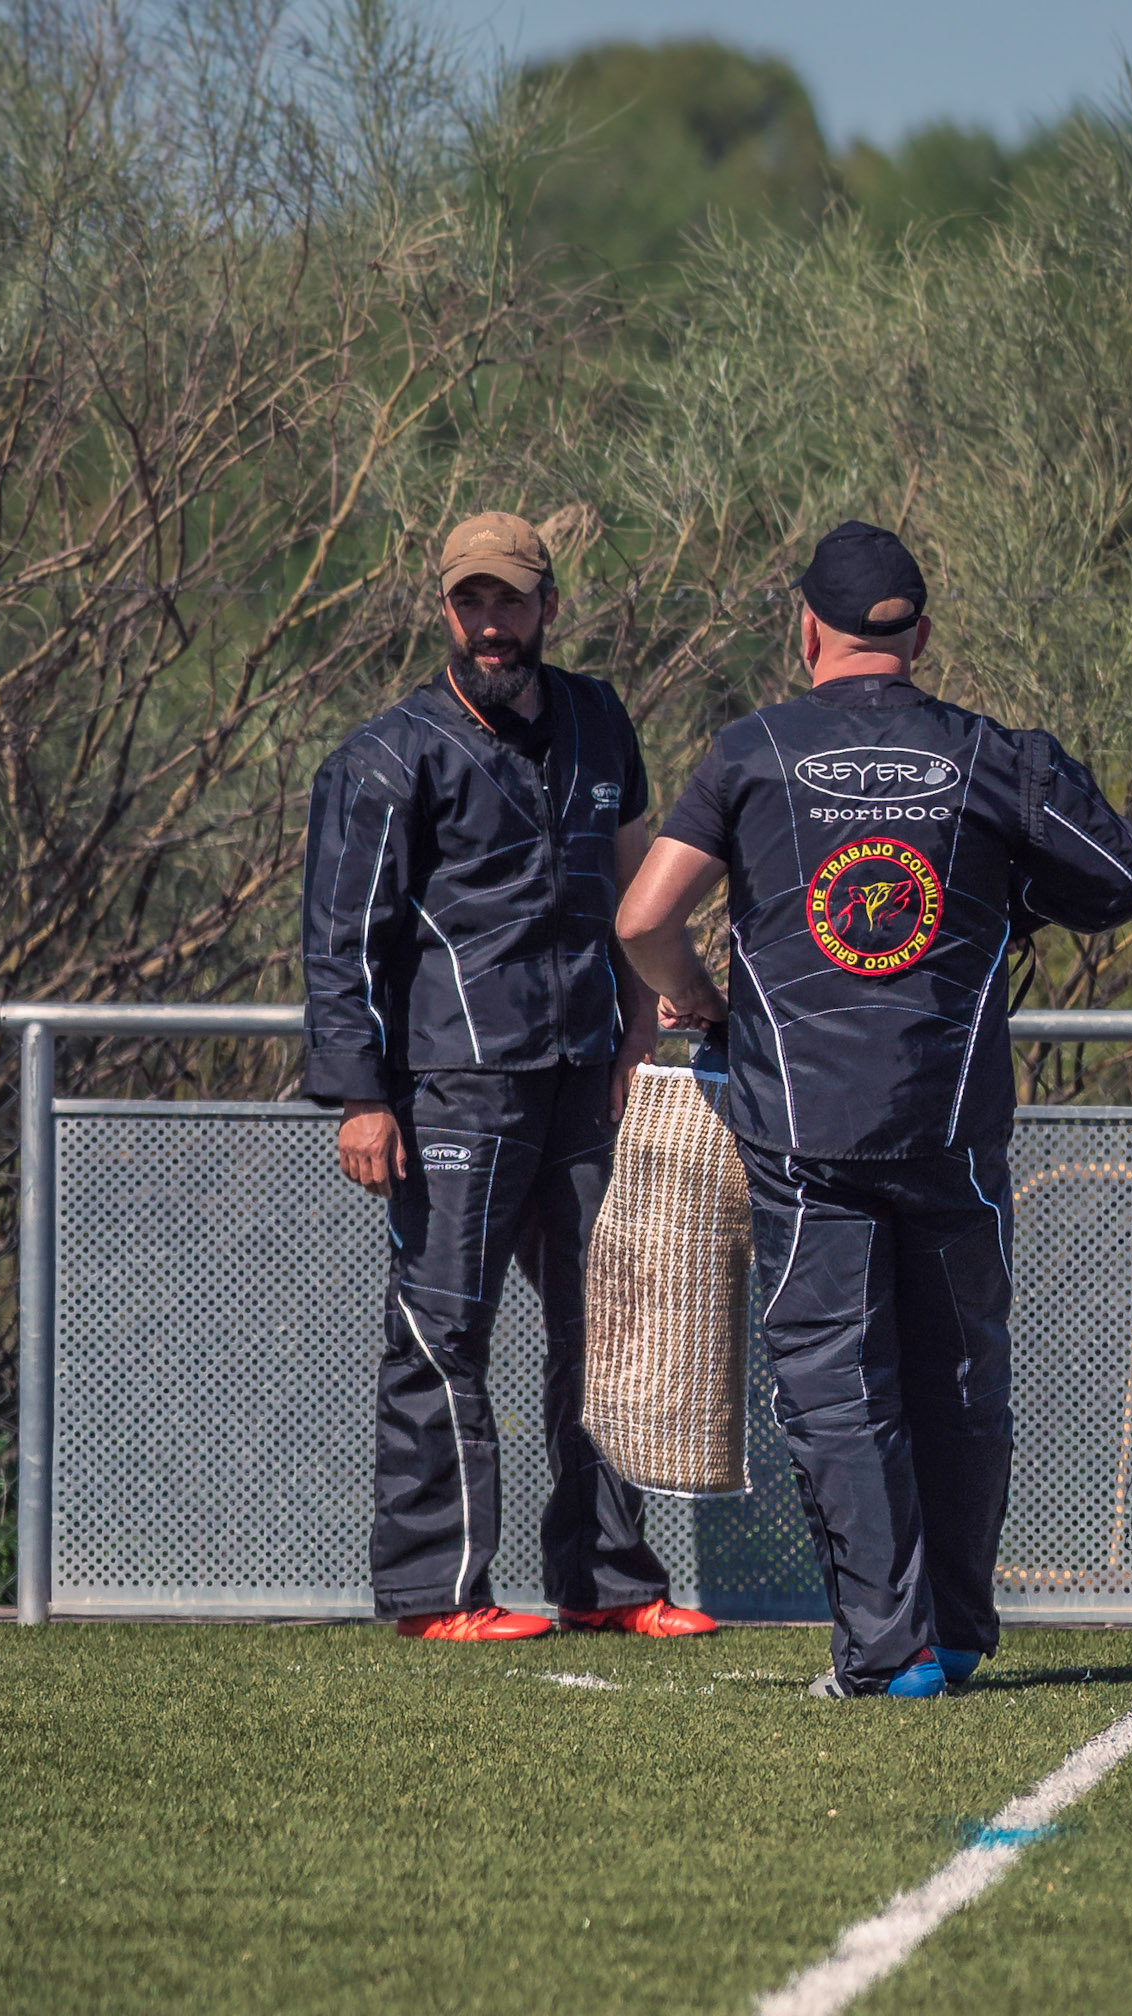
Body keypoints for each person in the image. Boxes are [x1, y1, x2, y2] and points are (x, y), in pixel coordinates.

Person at [616, 521, 1132, 1695]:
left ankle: (888, 1650)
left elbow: (643, 918)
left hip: (803, 1132)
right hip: (951, 1125)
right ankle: (952, 1635)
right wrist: (1005, 894)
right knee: (960, 1380)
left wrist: (698, 1000)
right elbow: (1118, 879)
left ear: (806, 630)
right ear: (920, 635)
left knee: (837, 1387)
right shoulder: (988, 754)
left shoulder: (751, 751)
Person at [301, 509, 716, 1643]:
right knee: (441, 1336)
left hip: (587, 1075)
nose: (491, 622)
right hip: (455, 1087)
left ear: (548, 605)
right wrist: (362, 1097)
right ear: (445, 610)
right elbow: (342, 944)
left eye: (510, 600)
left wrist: (641, 1028)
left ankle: (607, 1584)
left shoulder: (598, 717)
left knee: (609, 1330)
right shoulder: (387, 756)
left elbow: (635, 884)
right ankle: (439, 1595)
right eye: (470, 601)